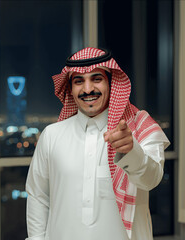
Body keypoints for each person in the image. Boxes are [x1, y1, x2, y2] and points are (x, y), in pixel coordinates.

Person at [25, 47, 170, 240]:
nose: (87, 89)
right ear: (70, 88)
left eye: (96, 79)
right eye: (78, 81)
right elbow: (38, 197)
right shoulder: (52, 135)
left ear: (111, 83)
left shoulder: (138, 127)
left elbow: (151, 179)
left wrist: (131, 150)